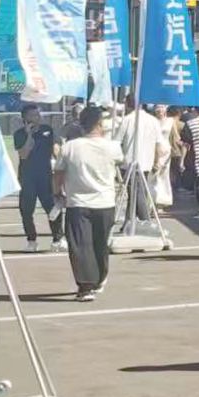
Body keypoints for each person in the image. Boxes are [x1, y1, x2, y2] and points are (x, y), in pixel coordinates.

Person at [55, 105, 122, 302]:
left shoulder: (70, 147)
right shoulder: (112, 147)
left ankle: (86, 286)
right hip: (105, 202)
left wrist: (57, 192)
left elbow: (58, 173)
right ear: (100, 124)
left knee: (80, 245)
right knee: (100, 243)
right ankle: (99, 278)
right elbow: (120, 161)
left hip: (78, 202)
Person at [12, 103, 62, 253]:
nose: (37, 117)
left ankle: (58, 239)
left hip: (45, 176)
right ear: (25, 118)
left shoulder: (48, 130)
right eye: (33, 115)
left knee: (52, 208)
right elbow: (24, 154)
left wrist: (60, 163)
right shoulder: (19, 134)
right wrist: (29, 135)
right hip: (27, 178)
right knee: (26, 210)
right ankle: (32, 240)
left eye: (38, 114)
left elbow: (56, 150)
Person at [113, 100, 164, 229]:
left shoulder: (127, 120)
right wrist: (157, 161)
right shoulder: (153, 121)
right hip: (147, 161)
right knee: (137, 192)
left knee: (135, 192)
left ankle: (143, 220)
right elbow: (158, 143)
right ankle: (129, 221)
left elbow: (117, 141)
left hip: (129, 161)